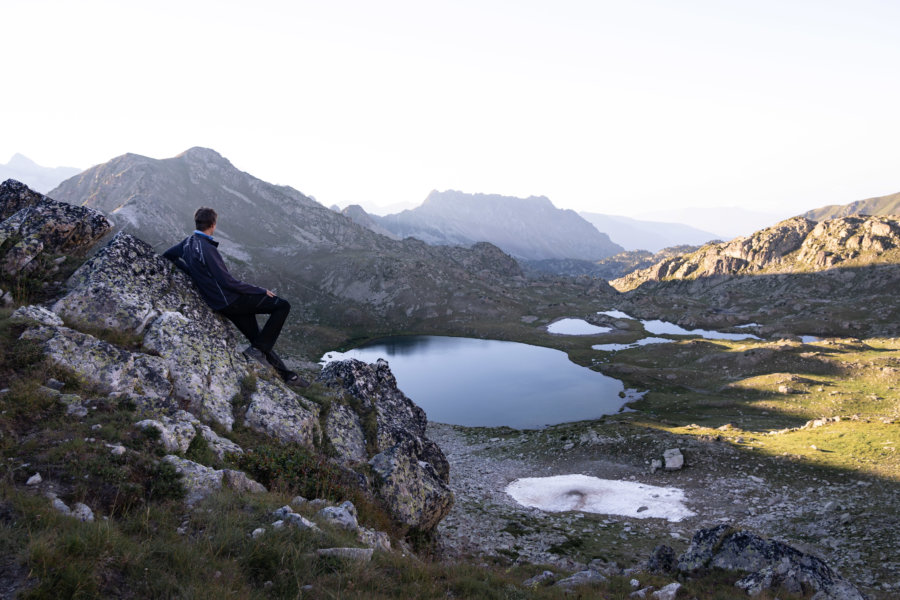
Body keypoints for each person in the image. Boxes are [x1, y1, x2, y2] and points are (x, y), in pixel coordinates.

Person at [163, 207, 308, 387]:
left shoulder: (188, 243)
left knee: (258, 340)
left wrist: (192, 274)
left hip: (220, 304)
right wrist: (260, 290)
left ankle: (288, 377)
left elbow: (168, 255)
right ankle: (260, 353)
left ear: (197, 223)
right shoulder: (207, 249)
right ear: (213, 225)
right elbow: (228, 282)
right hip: (232, 301)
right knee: (282, 306)